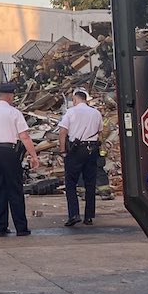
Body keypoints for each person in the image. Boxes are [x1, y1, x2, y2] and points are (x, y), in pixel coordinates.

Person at [0, 83, 41, 237]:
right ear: (9, 96)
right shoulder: (14, 112)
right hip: (9, 152)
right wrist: (33, 156)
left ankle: (0, 227)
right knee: (14, 189)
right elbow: (24, 136)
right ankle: (21, 228)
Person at [58, 88, 103, 227]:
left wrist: (63, 151)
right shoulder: (96, 113)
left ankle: (74, 214)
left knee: (71, 182)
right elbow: (100, 132)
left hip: (76, 150)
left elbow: (63, 132)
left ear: (76, 99)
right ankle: (89, 216)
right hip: (92, 149)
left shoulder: (71, 112)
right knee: (90, 183)